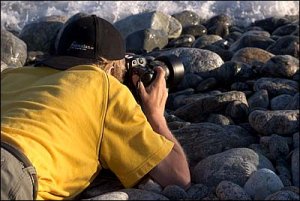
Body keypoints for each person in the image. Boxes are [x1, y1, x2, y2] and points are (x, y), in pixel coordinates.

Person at [1, 14, 191, 200]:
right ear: (110, 68)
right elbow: (177, 176)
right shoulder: (104, 85)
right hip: (10, 170)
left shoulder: (12, 75)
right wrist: (156, 116)